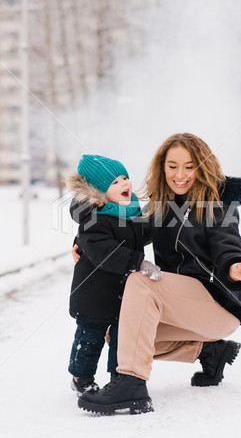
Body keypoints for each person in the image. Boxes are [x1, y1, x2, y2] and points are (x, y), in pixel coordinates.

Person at [75, 133, 241, 415]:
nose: (179, 174)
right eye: (172, 166)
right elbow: (124, 229)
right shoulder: (163, 204)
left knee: (141, 280)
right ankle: (209, 352)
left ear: (202, 166)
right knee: (118, 334)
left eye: (189, 166)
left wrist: (234, 268)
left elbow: (227, 247)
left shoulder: (218, 204)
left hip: (218, 303)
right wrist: (84, 241)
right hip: (183, 307)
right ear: (163, 167)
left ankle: (131, 383)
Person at [66, 154, 161, 396]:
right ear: (98, 190)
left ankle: (119, 377)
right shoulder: (93, 219)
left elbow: (142, 233)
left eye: (125, 178)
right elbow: (105, 252)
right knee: (90, 341)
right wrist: (138, 262)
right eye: (115, 182)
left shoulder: (127, 212)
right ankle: (81, 378)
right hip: (93, 296)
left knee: (122, 340)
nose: (125, 184)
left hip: (123, 294)